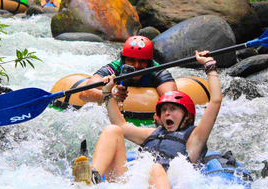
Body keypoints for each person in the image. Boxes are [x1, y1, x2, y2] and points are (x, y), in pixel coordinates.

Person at [72, 50, 222, 187]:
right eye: (163, 110)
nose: (167, 113)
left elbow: (215, 101)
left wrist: (209, 66)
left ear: (187, 116)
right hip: (134, 185)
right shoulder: (152, 134)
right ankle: (92, 178)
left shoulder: (194, 139)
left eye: (173, 109)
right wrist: (107, 94)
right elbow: (120, 125)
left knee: (155, 168)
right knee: (113, 130)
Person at [79, 35, 178, 108]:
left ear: (149, 63)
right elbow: (84, 93)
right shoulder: (114, 68)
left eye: (142, 61)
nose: (136, 66)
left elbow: (173, 100)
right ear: (124, 60)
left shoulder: (158, 72)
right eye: (131, 60)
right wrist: (110, 95)